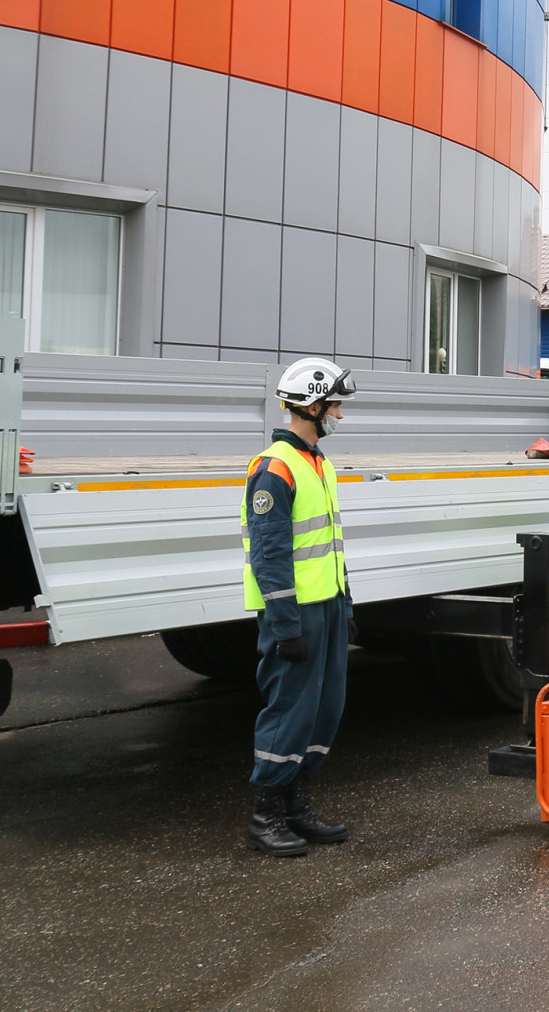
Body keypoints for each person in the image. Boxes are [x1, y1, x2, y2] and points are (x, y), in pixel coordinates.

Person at [242, 357, 359, 857]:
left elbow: (329, 545)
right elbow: (268, 555)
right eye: (334, 404)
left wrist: (346, 604)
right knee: (290, 709)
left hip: (327, 605)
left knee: (323, 709)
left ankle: (296, 806)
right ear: (310, 406)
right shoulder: (276, 468)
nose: (338, 413)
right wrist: (286, 622)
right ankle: (264, 815)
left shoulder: (319, 463)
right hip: (295, 613)